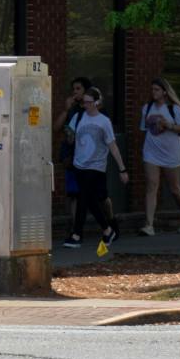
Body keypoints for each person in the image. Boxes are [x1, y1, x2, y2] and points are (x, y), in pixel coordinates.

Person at [66, 87, 126, 248]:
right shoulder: (79, 117)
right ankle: (107, 229)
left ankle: (77, 234)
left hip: (96, 165)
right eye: (84, 102)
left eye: (89, 102)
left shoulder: (103, 121)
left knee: (84, 196)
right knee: (87, 198)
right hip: (79, 164)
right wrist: (70, 136)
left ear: (97, 103)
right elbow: (70, 136)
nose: (85, 105)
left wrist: (122, 168)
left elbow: (112, 145)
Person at [138, 77, 180, 236]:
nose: (153, 92)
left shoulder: (174, 108)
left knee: (175, 189)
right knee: (151, 186)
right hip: (151, 152)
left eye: (156, 89)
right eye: (152, 89)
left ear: (164, 91)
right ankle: (149, 225)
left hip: (171, 153)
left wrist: (169, 125)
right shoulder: (147, 108)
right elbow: (145, 129)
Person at [59, 77, 93, 242]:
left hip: (89, 157)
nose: (75, 92)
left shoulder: (92, 111)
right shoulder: (72, 111)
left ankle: (109, 223)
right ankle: (75, 228)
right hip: (71, 155)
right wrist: (66, 110)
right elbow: (57, 128)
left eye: (78, 89)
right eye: (74, 89)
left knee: (96, 195)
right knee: (73, 193)